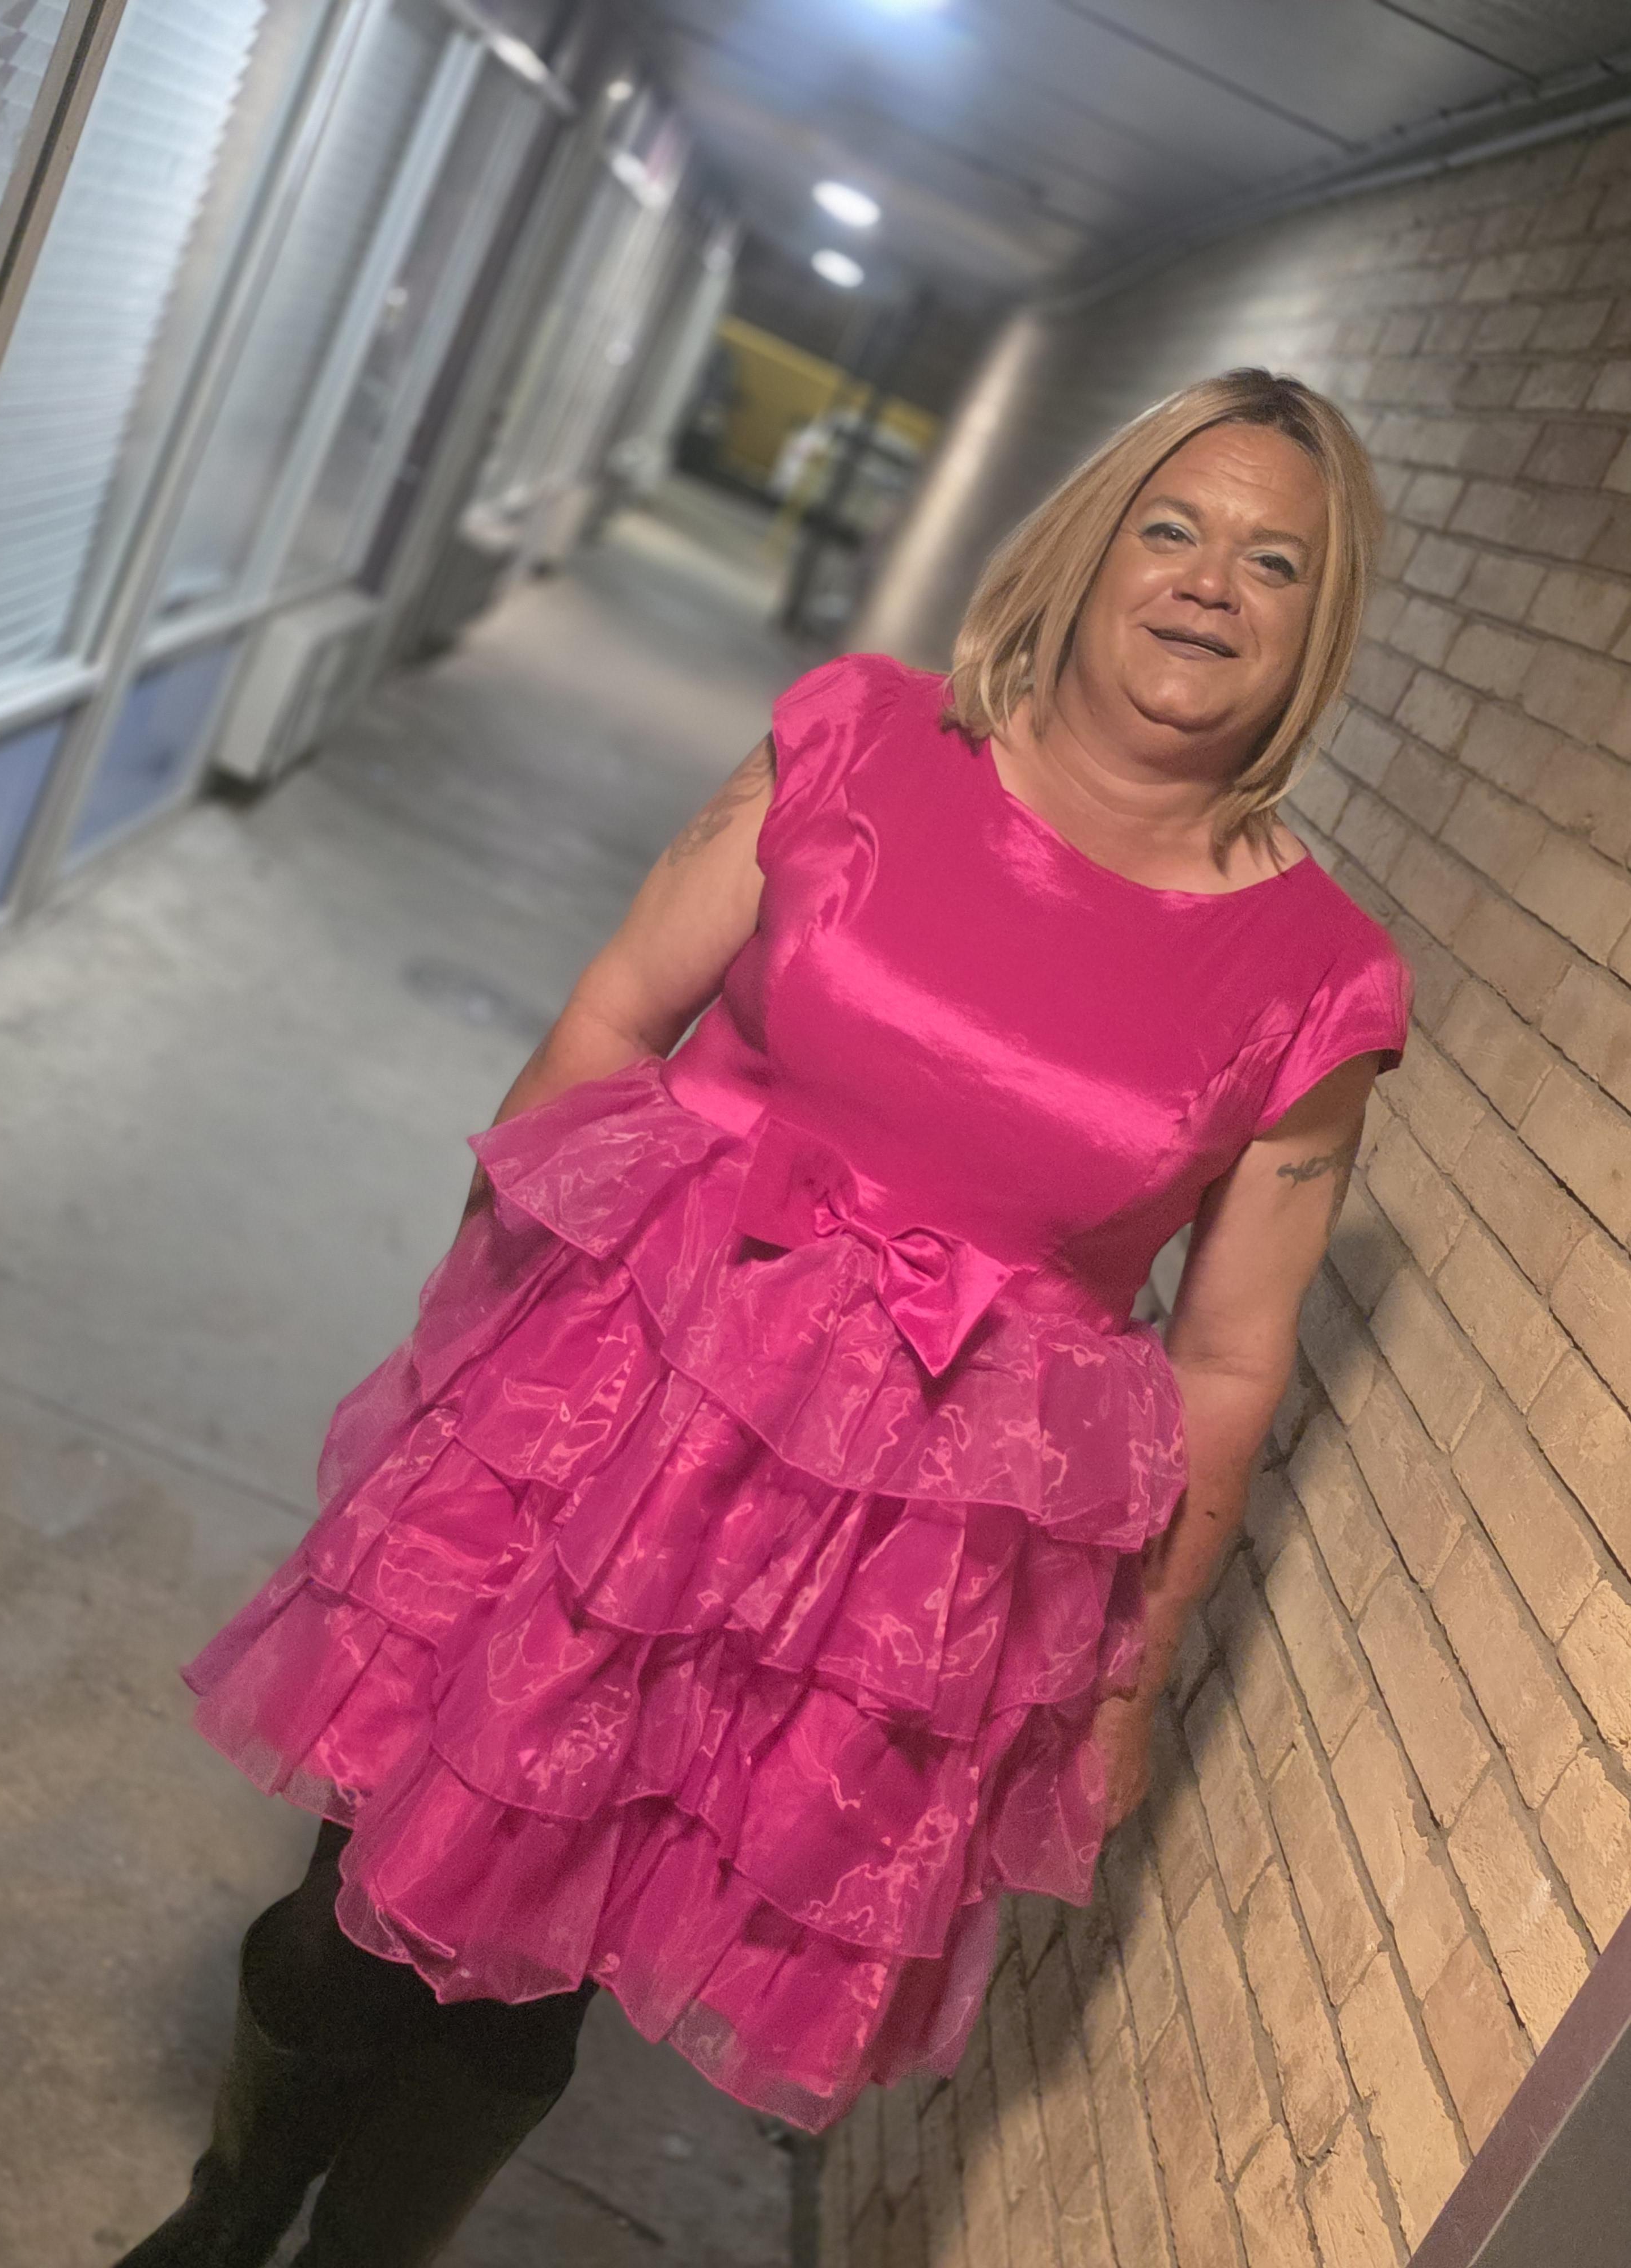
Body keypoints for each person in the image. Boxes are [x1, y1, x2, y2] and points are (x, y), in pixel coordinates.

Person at [117, 365, 1409, 2266]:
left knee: (532, 1982)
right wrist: (480, 1320)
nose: (1211, 583)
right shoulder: (862, 738)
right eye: (1174, 527)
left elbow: (1227, 1356)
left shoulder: (1316, 979)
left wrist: (1128, 1684)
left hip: (869, 1568)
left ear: (1320, 621)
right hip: (609, 1410)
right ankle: (233, 2216)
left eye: (1274, 561)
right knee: (358, 1902)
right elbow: (616, 1012)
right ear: (1091, 547)